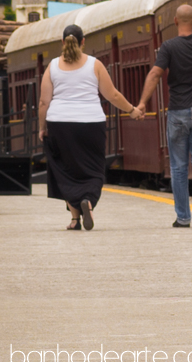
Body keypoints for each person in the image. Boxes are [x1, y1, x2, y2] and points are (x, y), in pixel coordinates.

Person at [39, 24, 144, 231]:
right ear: (83, 41)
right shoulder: (95, 64)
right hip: (91, 124)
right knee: (94, 169)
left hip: (59, 123)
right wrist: (132, 110)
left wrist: (42, 127)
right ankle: (87, 200)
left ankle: (75, 218)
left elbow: (44, 102)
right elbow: (112, 95)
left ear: (62, 42)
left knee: (66, 170)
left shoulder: (52, 66)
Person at [137, 0, 192, 229]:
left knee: (179, 168)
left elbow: (155, 75)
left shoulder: (168, 47)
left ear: (174, 22)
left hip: (178, 112)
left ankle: (183, 217)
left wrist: (141, 104)